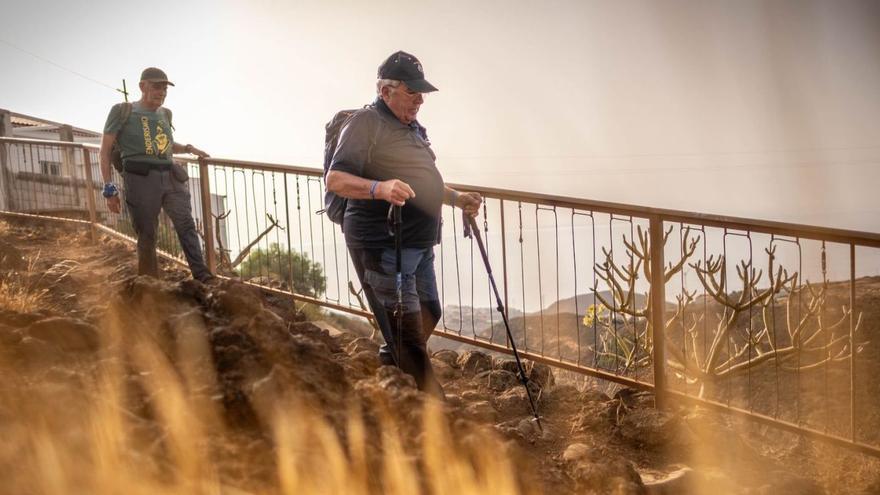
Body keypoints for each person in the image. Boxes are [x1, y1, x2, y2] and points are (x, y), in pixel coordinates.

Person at [327, 51, 481, 395]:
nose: (420, 100)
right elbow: (335, 179)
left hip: (419, 246)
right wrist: (378, 188)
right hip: (383, 245)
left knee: (430, 312)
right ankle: (434, 419)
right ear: (386, 91)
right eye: (412, 92)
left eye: (421, 93)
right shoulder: (366, 123)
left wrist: (457, 199)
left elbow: (422, 180)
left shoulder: (411, 127)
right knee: (410, 339)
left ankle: (388, 375)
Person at [99, 67, 214, 283]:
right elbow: (104, 151)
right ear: (143, 86)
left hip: (170, 176)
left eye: (164, 88)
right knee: (147, 233)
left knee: (186, 225)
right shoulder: (122, 111)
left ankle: (203, 278)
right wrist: (109, 189)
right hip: (140, 179)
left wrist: (189, 148)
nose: (161, 92)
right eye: (156, 87)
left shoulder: (165, 113)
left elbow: (165, 144)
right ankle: (149, 286)